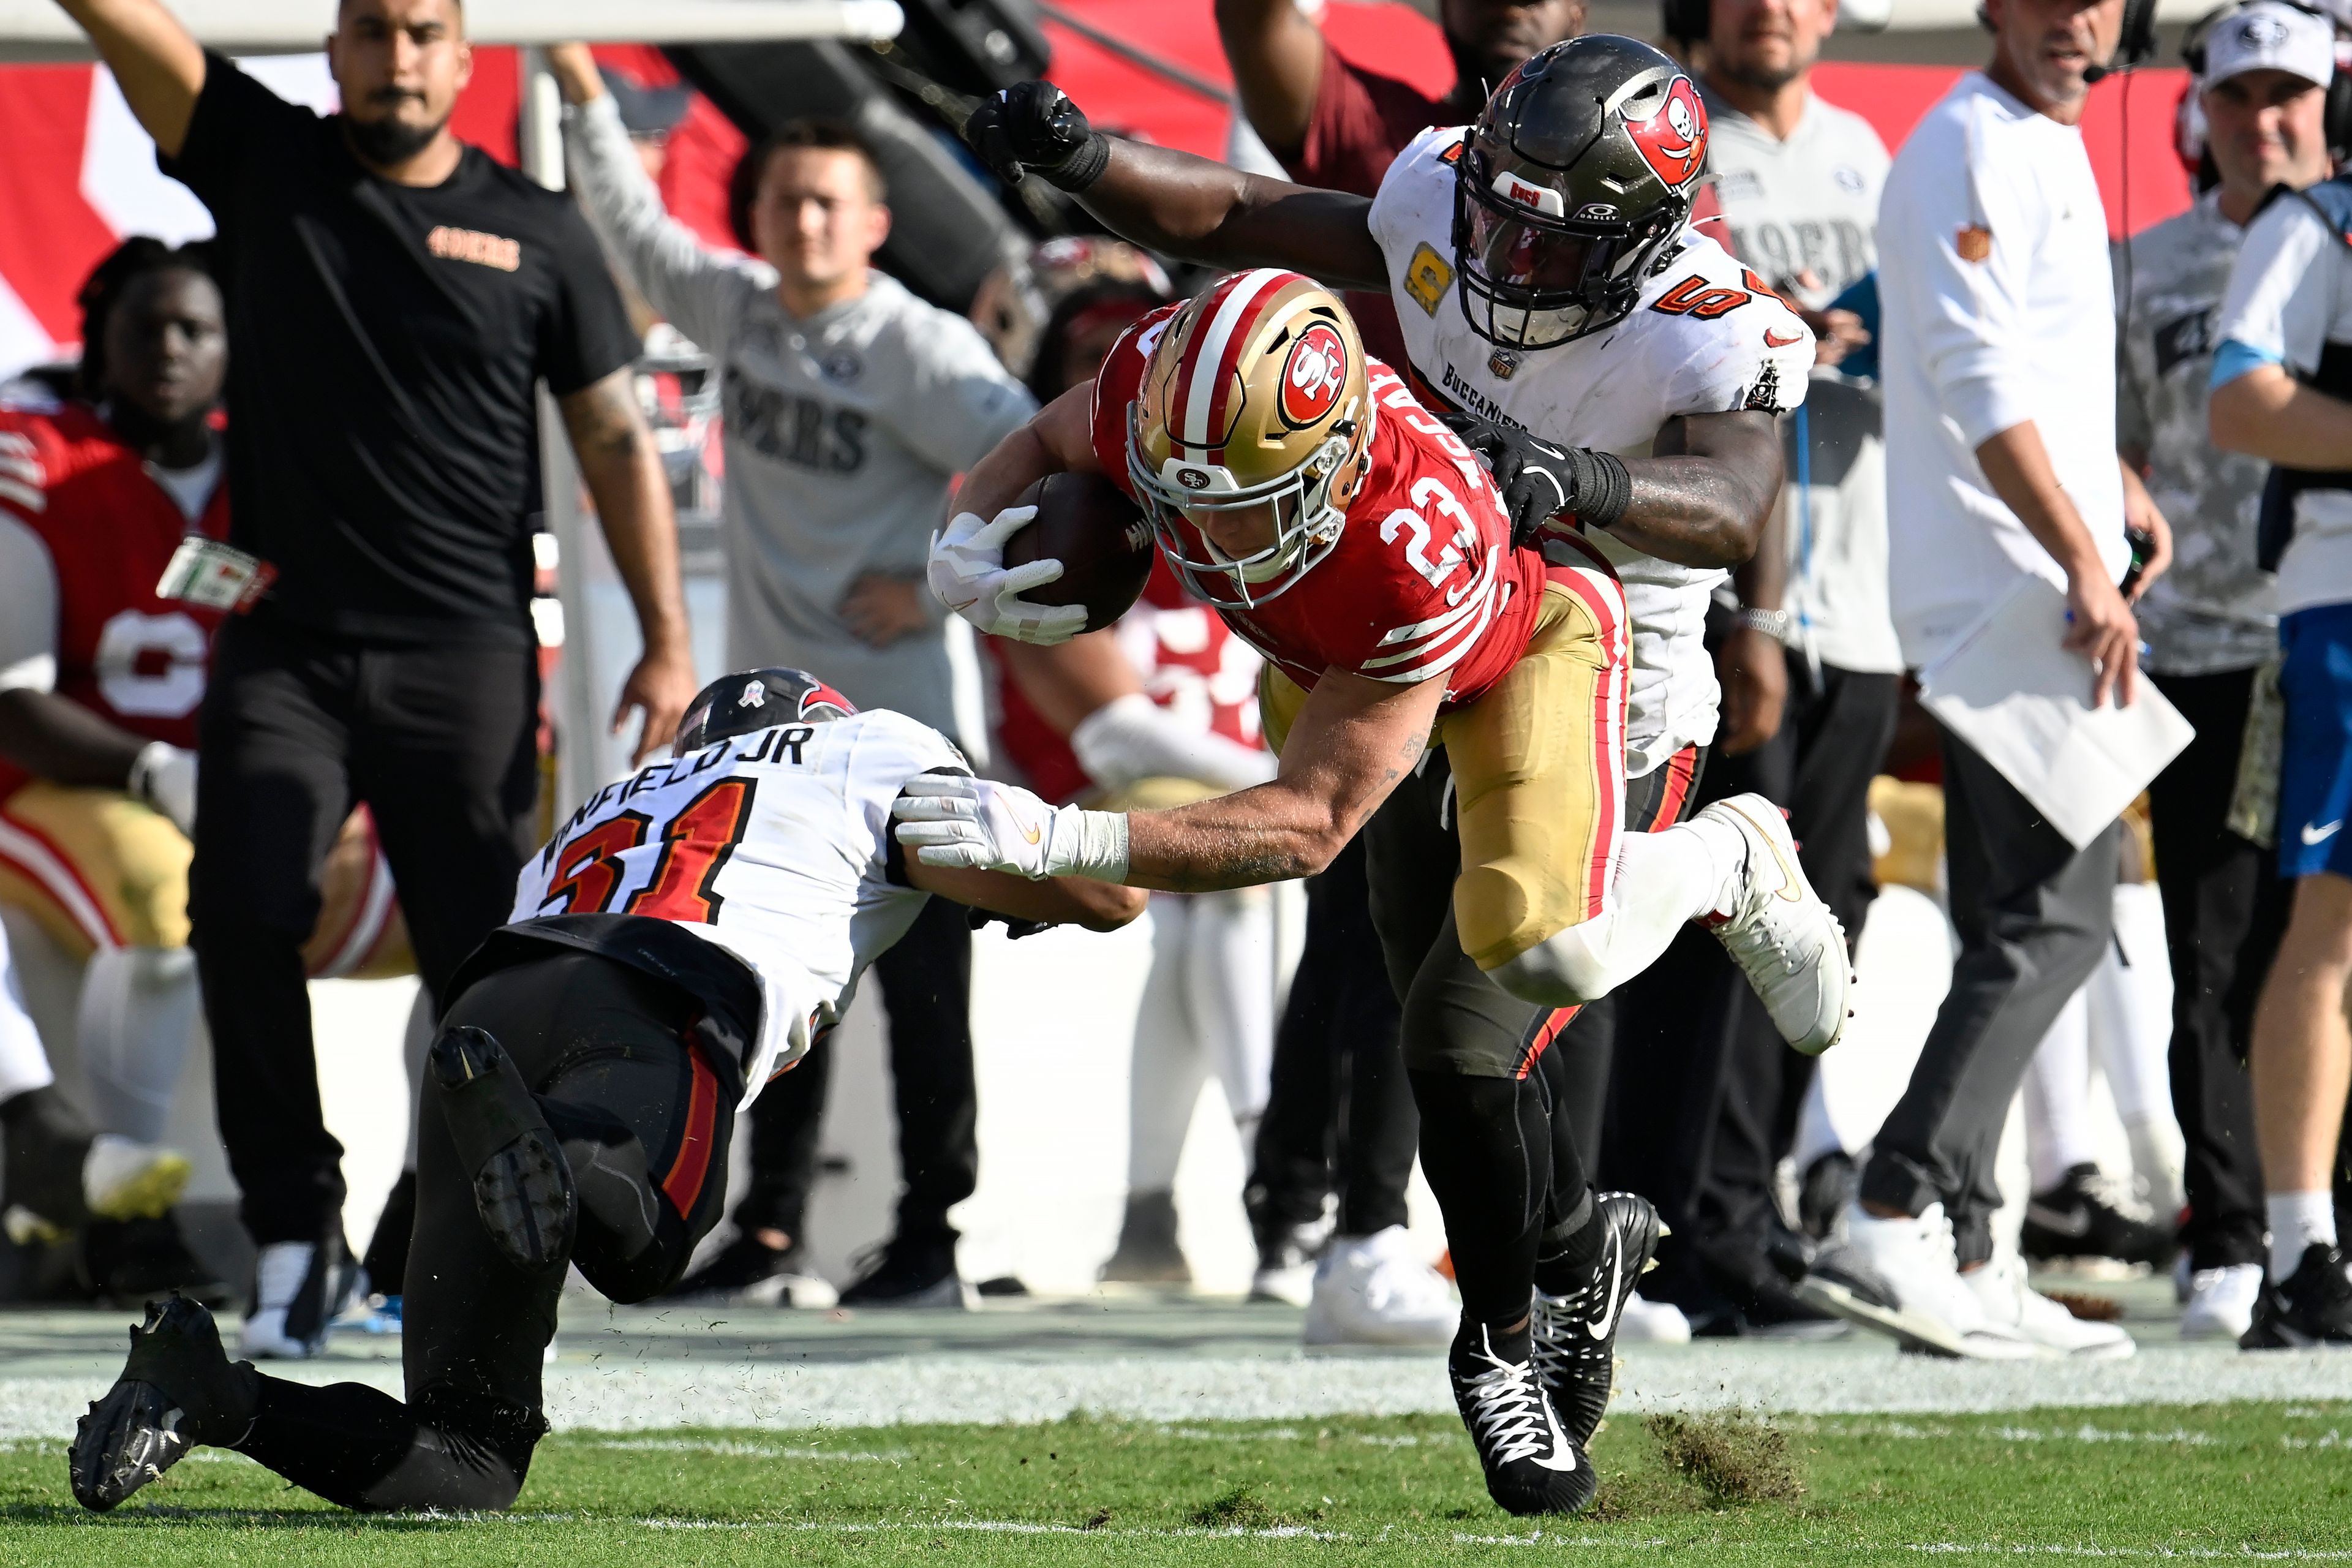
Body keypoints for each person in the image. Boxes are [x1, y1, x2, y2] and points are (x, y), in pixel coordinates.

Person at [911, 255, 1839, 1513]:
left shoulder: (1417, 543)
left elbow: (1306, 825)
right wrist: (965, 533)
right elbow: (1044, 436)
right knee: (1451, 1048)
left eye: (1249, 502)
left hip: (1518, 648)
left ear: (1337, 455)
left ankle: (1719, 868)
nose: (1216, 535)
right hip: (1331, 659)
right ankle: (1579, 1249)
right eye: (1189, 499)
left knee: (1516, 972)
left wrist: (1067, 839)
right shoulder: (1169, 392)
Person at [66, 668, 1145, 1514]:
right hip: (658, 996)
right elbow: (1094, 886)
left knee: (470, 1456)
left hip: (491, 999)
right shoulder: (871, 748)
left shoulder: (618, 797)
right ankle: (568, 1149)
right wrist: (1082, 885)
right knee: (644, 1246)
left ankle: (216, 1393)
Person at [50, 0, 699, 1358]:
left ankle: (419, 1244)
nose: (394, 57)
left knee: (490, 970)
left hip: (465, 652)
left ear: (465, 57)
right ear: (332, 49)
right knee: (239, 907)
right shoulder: (267, 161)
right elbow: (136, 40)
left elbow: (616, 444)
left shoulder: (541, 228)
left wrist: (667, 634)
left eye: (421, 32)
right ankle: (295, 1231)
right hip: (286, 643)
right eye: (369, 29)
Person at [549, 43, 1038, 1308]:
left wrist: (942, 568)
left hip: (908, 736)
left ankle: (932, 1236)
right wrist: (577, 77)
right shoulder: (746, 311)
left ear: (877, 224)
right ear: (757, 215)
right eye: (786, 201)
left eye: (831, 202)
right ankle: (769, 1233)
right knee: (767, 980)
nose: (807, 220)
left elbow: (1052, 462)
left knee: (927, 994)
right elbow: (640, 236)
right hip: (776, 745)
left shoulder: (917, 347)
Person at [1796, 0, 2165, 1360]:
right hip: (2006, 593)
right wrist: (2081, 552)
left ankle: (1974, 1243)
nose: (2078, 18)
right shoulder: (1964, 140)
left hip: (2032, 577)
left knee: (2024, 916)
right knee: (2057, 922)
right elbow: (1964, 370)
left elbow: (2036, 369)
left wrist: (2113, 489)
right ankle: (1896, 1203)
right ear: (1993, 8)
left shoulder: (2034, 138)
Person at [0, 238, 410, 1305]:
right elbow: (13, 699)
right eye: (146, 327)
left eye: (197, 329)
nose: (170, 350)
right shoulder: (41, 456)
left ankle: (420, 1218)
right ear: (99, 338)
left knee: (463, 918)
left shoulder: (271, 467)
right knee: (161, 895)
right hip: (65, 782)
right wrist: (154, 769)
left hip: (245, 783)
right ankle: (124, 1220)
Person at [1599, 0, 1900, 1338]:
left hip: (1868, 589)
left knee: (1819, 913)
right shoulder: (1662, 140)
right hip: (1725, 591)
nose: (1768, 7)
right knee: (1711, 916)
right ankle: (1687, 1225)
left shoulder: (1869, 156)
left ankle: (1745, 1207)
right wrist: (1748, 618)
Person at [2122, 0, 2335, 1341]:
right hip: (2197, 643)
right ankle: (2228, 1227)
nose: (2266, 120)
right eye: (2241, 95)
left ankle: (2325, 1227)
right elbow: (2110, 437)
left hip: (2326, 631)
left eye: (2290, 96)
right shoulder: (2143, 265)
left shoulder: (2347, 234)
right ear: (2199, 107)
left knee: (2328, 946)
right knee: (2208, 947)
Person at [2206, 11, 2352, 1344]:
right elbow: (2239, 398)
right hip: (2344, 599)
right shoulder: (2317, 226)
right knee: (2330, 923)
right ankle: (2303, 1251)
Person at [1213, 0, 1586, 364]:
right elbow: (1250, 21)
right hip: (1383, 424)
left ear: (1577, 13)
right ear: (1445, 8)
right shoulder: (1379, 127)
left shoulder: (1629, 169)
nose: (1507, 9)